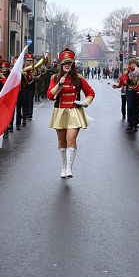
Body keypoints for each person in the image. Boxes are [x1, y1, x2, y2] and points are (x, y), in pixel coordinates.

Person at [47, 48, 95, 179]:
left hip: (74, 112)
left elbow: (91, 93)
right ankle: (63, 166)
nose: (67, 65)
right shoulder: (55, 78)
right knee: (61, 141)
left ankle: (69, 167)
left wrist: (85, 102)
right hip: (60, 112)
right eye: (65, 64)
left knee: (71, 139)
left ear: (73, 65)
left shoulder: (79, 79)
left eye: (69, 63)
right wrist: (59, 85)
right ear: (61, 65)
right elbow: (50, 96)